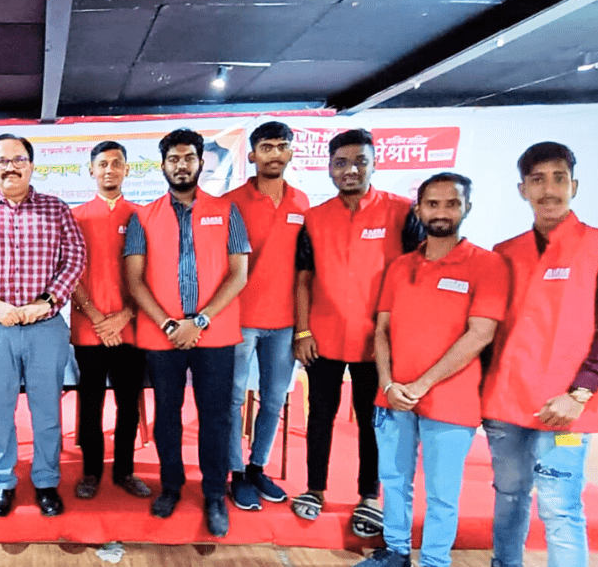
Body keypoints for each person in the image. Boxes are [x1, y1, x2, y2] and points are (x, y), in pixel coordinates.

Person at [455, 143, 598, 567]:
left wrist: (579, 394)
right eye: (538, 179)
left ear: (574, 185)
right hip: (506, 402)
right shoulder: (505, 252)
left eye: (559, 178)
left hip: (566, 408)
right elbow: (491, 331)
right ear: (523, 189)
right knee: (510, 497)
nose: (549, 189)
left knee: (560, 508)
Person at [349, 173, 510, 567]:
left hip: (450, 400)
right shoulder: (400, 267)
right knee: (394, 480)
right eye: (432, 204)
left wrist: (421, 384)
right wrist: (387, 383)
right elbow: (381, 329)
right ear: (418, 210)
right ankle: (397, 551)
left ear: (466, 208)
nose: (441, 212)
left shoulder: (487, 264)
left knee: (441, 492)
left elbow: (481, 333)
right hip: (394, 397)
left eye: (451, 204)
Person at [290, 128, 424, 538]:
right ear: (330, 168)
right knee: (320, 417)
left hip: (377, 340)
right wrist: (303, 330)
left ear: (374, 163)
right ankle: (314, 488)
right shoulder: (314, 217)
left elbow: (419, 274)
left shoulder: (403, 213)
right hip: (324, 336)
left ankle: (368, 495)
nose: (351, 170)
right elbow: (303, 278)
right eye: (341, 163)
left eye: (359, 161)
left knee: (372, 420)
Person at [0, 133, 86, 518]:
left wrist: (44, 303)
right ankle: (3, 482)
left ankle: (45, 481)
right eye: (2, 161)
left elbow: (75, 258)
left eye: (18, 159)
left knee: (46, 411)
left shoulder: (56, 210)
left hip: (45, 327)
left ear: (31, 164)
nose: (10, 167)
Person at [124, 128, 248, 538]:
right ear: (162, 166)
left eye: (188, 158)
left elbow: (238, 275)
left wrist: (202, 320)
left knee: (216, 418)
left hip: (214, 333)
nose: (181, 165)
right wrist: (169, 324)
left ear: (200, 163)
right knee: (167, 418)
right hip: (163, 336)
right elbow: (135, 281)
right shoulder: (142, 216)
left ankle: (215, 493)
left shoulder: (227, 211)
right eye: (174, 159)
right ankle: (171, 486)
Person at [221, 121, 308, 511]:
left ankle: (258, 466)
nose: (274, 153)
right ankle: (236, 473)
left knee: (274, 399)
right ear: (252, 154)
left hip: (286, 322)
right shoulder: (230, 202)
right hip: (239, 319)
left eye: (281, 146)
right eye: (266, 147)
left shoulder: (303, 203)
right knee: (233, 400)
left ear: (290, 153)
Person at [69, 141, 151, 500]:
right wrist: (98, 319)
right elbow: (67, 273)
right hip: (89, 327)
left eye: (116, 163)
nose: (109, 170)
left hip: (131, 327)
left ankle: (124, 471)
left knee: (128, 404)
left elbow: (152, 275)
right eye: (102, 164)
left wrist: (124, 316)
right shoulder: (75, 217)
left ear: (127, 170)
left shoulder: (142, 216)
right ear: (91, 170)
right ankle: (90, 472)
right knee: (90, 403)